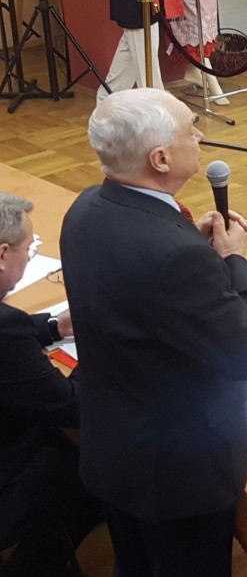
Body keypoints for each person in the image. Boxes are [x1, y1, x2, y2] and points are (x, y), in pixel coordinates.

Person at [60, 87, 247, 577]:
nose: (200, 136)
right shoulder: (176, 257)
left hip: (114, 446)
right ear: (160, 158)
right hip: (179, 476)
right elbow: (244, 350)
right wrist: (234, 260)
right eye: (189, 129)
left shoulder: (85, 207)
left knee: (134, 563)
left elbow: (139, 286)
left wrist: (189, 242)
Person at [0, 193, 101, 577]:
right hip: (9, 465)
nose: (29, 257)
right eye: (29, 249)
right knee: (96, 470)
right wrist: (105, 347)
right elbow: (72, 406)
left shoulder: (9, 327)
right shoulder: (6, 331)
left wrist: (53, 326)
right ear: (3, 254)